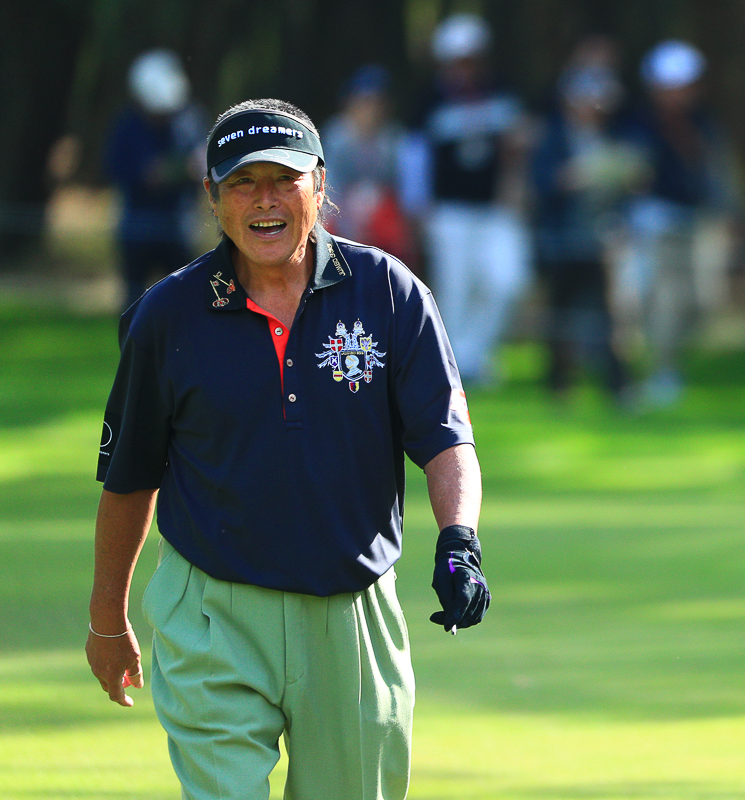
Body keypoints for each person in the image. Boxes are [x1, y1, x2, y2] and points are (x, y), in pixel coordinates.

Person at [86, 98, 490, 800]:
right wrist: (106, 620)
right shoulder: (167, 315)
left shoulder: (389, 292)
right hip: (210, 614)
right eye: (242, 182)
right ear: (212, 196)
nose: (265, 201)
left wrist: (460, 539)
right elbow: (130, 477)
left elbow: (446, 438)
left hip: (352, 614)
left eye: (284, 179)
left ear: (321, 184)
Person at [404, 13, 532, 387]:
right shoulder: (429, 100)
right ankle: (456, 364)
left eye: (472, 59)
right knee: (455, 290)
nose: (466, 67)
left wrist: (518, 187)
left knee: (508, 280)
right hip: (448, 210)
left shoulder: (503, 93)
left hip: (497, 210)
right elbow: (415, 159)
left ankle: (473, 354)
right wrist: (417, 207)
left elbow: (519, 144)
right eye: (459, 60)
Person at [618, 40, 744, 407]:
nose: (677, 93)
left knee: (703, 300)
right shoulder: (637, 124)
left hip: (699, 222)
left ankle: (665, 367)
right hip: (653, 221)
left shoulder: (705, 124)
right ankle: (662, 371)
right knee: (659, 301)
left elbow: (719, 173)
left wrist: (731, 212)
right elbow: (627, 174)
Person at [531, 45, 644, 402]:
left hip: (600, 240)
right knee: (561, 313)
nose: (594, 109)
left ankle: (618, 385)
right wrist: (574, 177)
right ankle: (559, 383)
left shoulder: (614, 137)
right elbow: (542, 184)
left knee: (609, 315)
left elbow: (630, 185)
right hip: (562, 239)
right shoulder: (553, 137)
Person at [104, 49, 206, 309]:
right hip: (136, 228)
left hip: (178, 227)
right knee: (134, 302)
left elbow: (203, 164)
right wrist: (144, 174)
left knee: (182, 301)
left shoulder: (190, 120)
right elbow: (113, 167)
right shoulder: (127, 125)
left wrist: (190, 170)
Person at [322, 64, 417, 269]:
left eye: (377, 102)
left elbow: (409, 197)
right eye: (364, 102)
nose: (370, 110)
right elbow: (328, 188)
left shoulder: (397, 139)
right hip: (343, 214)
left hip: (386, 222)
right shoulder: (336, 137)